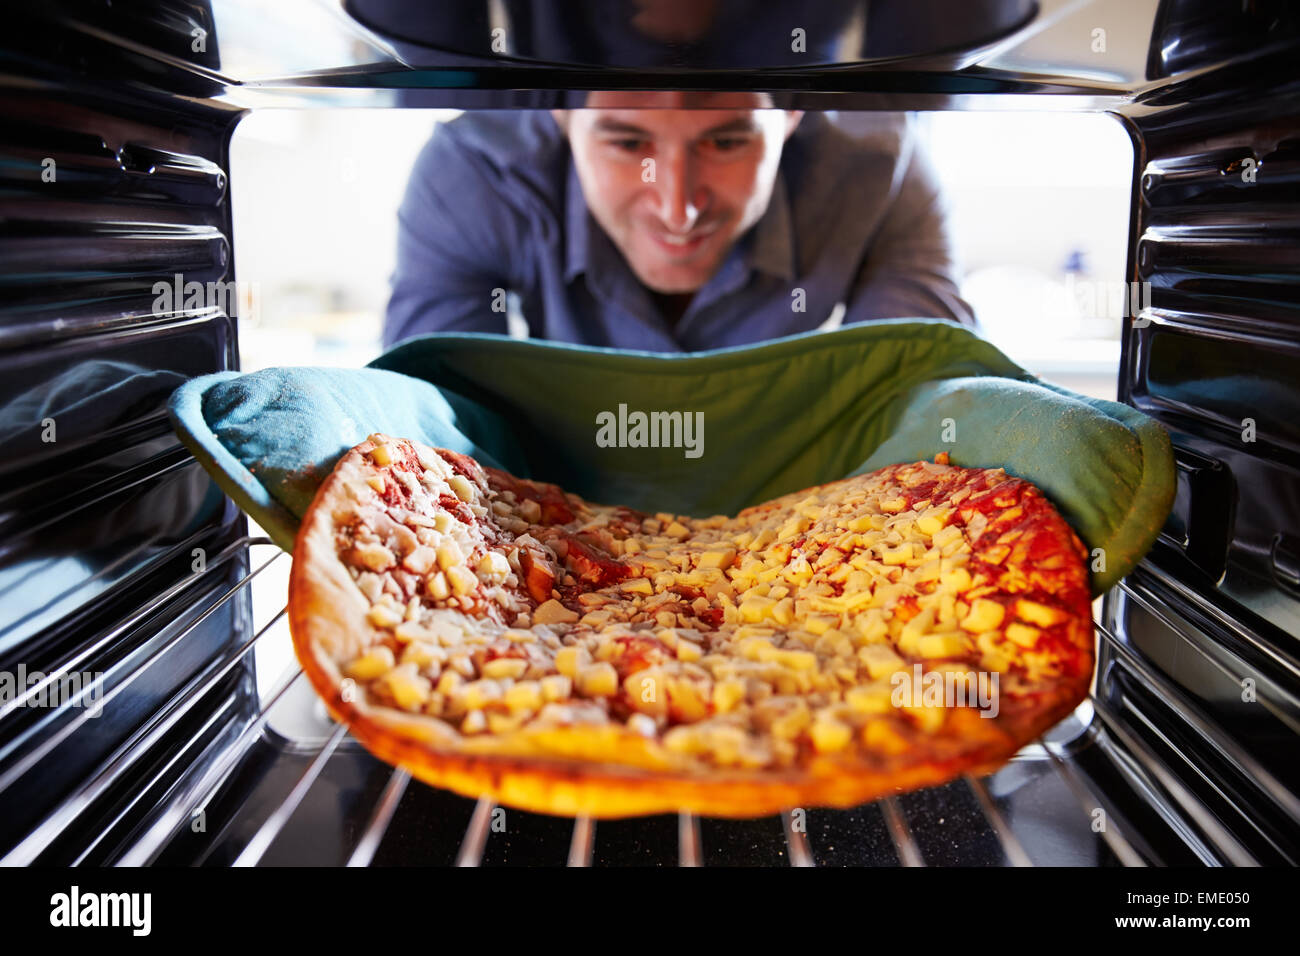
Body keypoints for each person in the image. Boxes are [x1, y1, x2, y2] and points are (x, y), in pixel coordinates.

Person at [384, 92, 973, 352]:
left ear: (791, 114)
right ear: (562, 114)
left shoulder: (876, 167)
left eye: (725, 141)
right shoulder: (474, 174)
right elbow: (435, 427)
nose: (677, 208)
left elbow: (925, 400)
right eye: (627, 142)